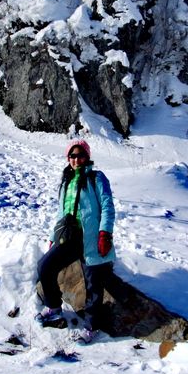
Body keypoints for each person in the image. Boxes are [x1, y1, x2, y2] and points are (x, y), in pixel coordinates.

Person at [36, 139, 116, 341]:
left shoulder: (96, 178)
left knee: (93, 284)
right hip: (69, 236)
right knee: (45, 266)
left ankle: (91, 326)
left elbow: (107, 206)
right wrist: (54, 238)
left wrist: (105, 233)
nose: (76, 159)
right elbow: (60, 213)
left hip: (91, 238)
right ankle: (54, 306)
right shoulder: (67, 181)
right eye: (72, 156)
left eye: (80, 155)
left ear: (87, 157)